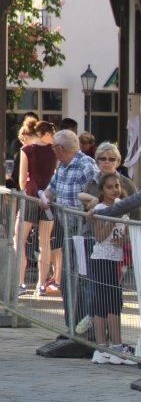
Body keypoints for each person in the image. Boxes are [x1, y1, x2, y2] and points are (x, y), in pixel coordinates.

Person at [43, 130, 100, 313]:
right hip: (67, 227)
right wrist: (46, 198)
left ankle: (84, 319)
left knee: (82, 274)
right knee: (69, 274)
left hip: (84, 230)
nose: (53, 151)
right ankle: (72, 320)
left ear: (60, 148)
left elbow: (97, 197)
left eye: (53, 147)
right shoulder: (62, 166)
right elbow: (51, 189)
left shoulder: (86, 165)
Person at [83, 172, 136, 366]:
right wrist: (113, 218)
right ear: (102, 190)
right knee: (104, 303)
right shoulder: (100, 209)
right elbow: (99, 236)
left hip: (117, 259)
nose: (114, 190)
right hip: (102, 259)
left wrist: (123, 240)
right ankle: (104, 347)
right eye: (109, 187)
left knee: (114, 303)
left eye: (117, 186)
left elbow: (125, 234)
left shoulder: (122, 206)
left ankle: (114, 346)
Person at [16, 121, 57, 294]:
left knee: (19, 240)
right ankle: (41, 285)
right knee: (45, 242)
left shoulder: (27, 149)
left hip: (31, 197)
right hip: (48, 199)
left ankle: (20, 283)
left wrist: (25, 188)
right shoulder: (55, 150)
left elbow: (22, 179)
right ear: (46, 134)